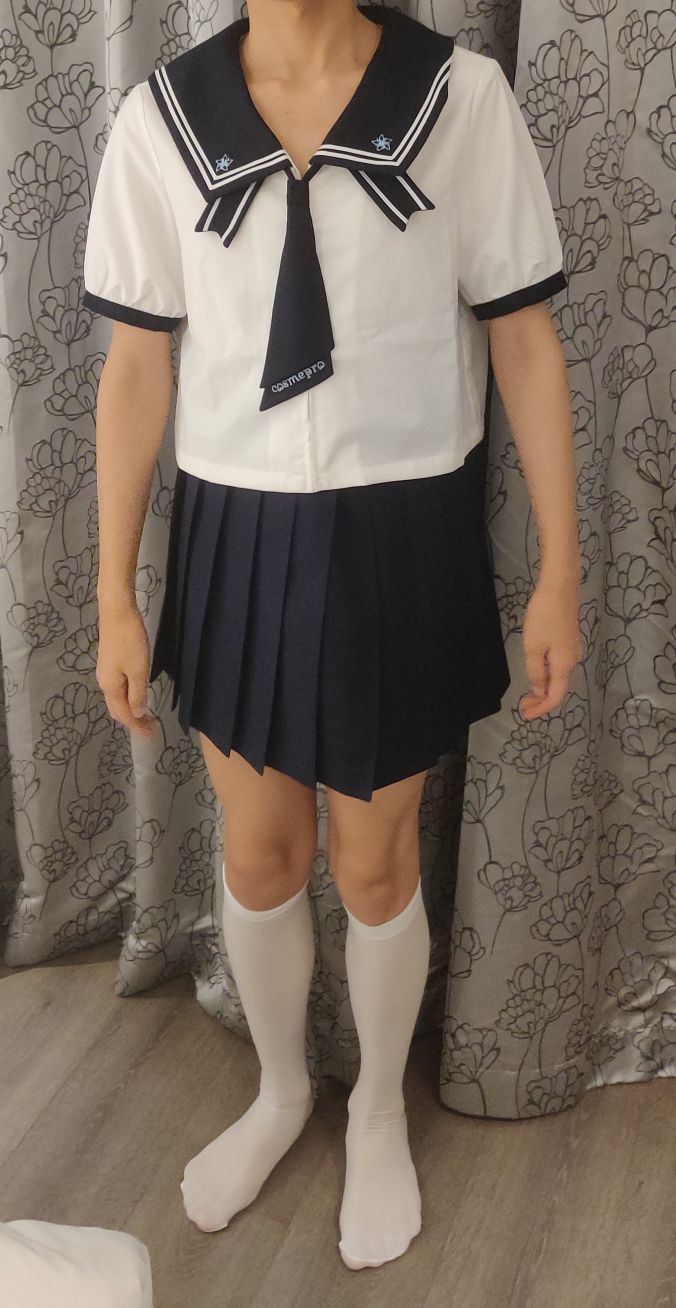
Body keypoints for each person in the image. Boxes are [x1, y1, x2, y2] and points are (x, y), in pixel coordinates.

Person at [84, 0, 582, 1273]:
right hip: (235, 529)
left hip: (398, 528)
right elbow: (136, 367)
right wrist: (115, 594)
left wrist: (559, 572)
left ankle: (374, 1111)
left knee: (372, 864)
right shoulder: (161, 121)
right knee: (259, 854)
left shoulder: (458, 101)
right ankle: (280, 1091)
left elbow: (522, 338)